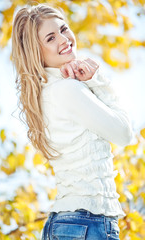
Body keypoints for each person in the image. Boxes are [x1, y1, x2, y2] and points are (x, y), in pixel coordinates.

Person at [12, 3, 134, 240]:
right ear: (37, 52)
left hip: (70, 224)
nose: (64, 39)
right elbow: (125, 134)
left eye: (63, 29)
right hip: (89, 223)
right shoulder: (67, 90)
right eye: (50, 38)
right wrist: (98, 82)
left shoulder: (47, 93)